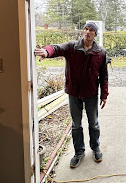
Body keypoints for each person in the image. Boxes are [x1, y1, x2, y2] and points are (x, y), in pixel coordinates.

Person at [34, 22, 108, 168]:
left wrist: (104, 95)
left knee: (93, 124)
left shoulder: (100, 52)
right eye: (86, 29)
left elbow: (104, 75)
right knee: (76, 125)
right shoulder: (72, 47)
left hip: (91, 94)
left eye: (91, 30)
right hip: (74, 93)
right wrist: (46, 52)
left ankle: (95, 148)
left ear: (95, 34)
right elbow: (56, 48)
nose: (87, 32)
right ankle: (79, 152)